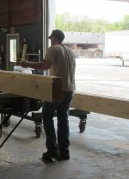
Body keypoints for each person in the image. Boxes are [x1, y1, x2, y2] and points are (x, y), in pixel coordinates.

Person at [19, 29, 76, 161]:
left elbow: (45, 65)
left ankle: (52, 150)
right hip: (70, 89)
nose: (50, 41)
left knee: (47, 115)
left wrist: (27, 64)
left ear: (55, 38)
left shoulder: (54, 48)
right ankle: (64, 151)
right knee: (63, 119)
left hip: (57, 88)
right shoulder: (70, 51)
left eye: (51, 38)